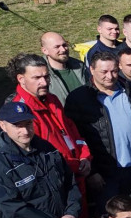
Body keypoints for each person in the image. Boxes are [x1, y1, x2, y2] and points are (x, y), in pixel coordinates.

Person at [66, 50, 131, 211]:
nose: (110, 76)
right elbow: (76, 138)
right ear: (91, 70)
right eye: (104, 72)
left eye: (114, 71)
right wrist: (92, 172)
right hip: (105, 175)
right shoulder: (79, 99)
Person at [6, 54, 92, 199]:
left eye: (46, 77)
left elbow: (71, 131)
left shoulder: (52, 99)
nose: (44, 82)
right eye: (37, 78)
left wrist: (85, 155)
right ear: (21, 79)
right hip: (57, 184)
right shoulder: (20, 112)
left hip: (76, 174)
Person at [40, 32, 87, 104]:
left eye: (64, 45)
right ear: (45, 50)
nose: (63, 50)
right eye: (57, 47)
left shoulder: (80, 66)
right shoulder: (41, 76)